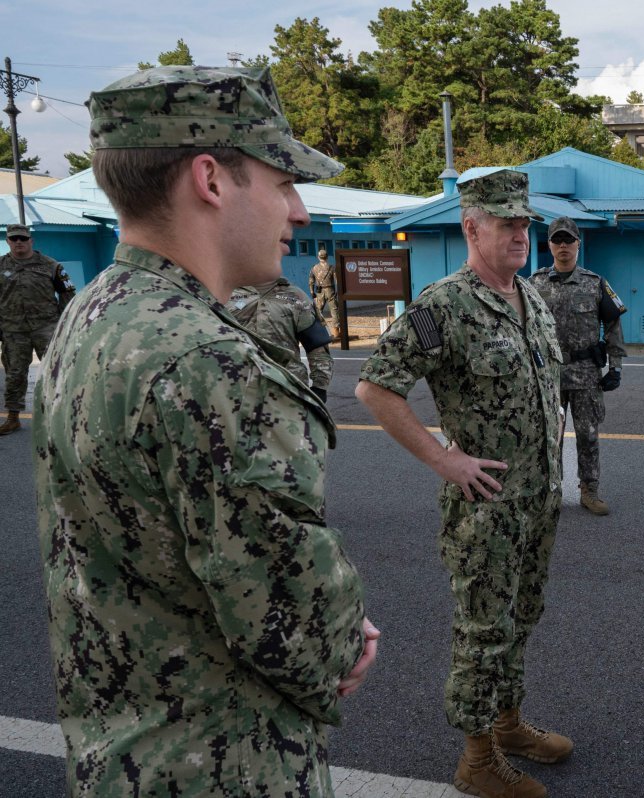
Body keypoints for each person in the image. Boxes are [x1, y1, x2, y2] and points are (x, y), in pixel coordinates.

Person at [32, 66, 378, 797]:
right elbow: (290, 617)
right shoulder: (207, 358)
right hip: (224, 763)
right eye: (282, 182)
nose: (300, 211)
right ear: (212, 180)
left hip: (126, 751)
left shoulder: (94, 314)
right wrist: (343, 636)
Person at [356, 169, 569, 798]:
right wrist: (445, 459)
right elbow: (375, 387)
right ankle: (476, 759)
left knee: (521, 617)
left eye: (523, 223)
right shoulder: (442, 306)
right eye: (506, 223)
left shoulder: (530, 298)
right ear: (471, 227)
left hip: (537, 501)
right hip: (486, 508)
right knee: (483, 628)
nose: (519, 234)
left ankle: (507, 724)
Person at [529, 215, 626, 516]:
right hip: (549, 375)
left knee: (588, 435)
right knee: (549, 437)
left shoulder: (595, 283)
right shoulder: (534, 283)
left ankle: (590, 490)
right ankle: (550, 490)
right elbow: (524, 327)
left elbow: (613, 324)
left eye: (568, 240)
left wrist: (616, 365)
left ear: (578, 244)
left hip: (585, 374)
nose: (563, 246)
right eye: (557, 240)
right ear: (550, 245)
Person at [0, 223, 75, 435]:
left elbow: (68, 293)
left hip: (46, 328)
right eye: (14, 239)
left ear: (31, 240)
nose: (18, 243)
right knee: (15, 374)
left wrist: (62, 322)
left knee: (56, 371)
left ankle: (65, 416)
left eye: (23, 239)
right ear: (8, 241)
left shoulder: (50, 265)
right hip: (13, 330)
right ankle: (13, 418)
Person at [229, 276, 335, 403]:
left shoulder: (296, 297)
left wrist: (320, 387)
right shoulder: (225, 294)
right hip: (236, 385)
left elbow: (317, 346)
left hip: (288, 387)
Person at [309, 247, 341, 338]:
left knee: (318, 312)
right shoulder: (332, 267)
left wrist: (312, 292)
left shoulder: (314, 268)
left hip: (319, 292)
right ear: (327, 257)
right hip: (330, 290)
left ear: (318, 257)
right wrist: (337, 291)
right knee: (334, 310)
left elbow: (311, 281)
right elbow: (337, 280)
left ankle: (317, 332)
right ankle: (336, 332)